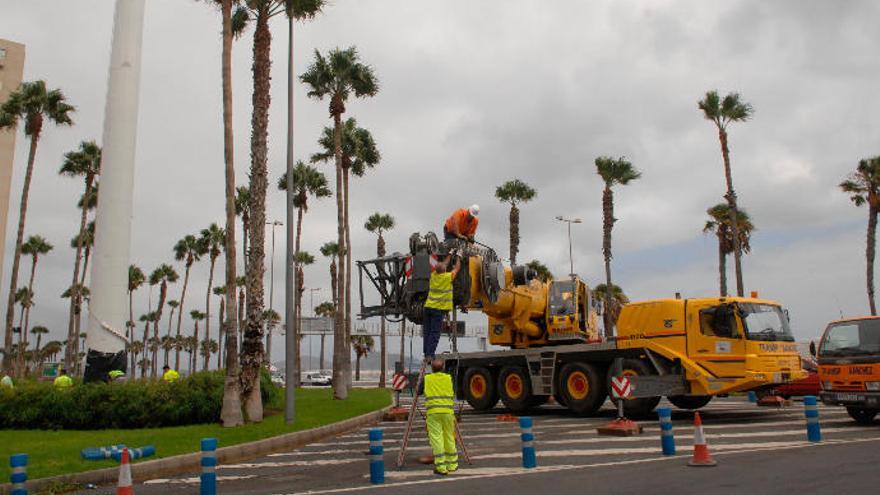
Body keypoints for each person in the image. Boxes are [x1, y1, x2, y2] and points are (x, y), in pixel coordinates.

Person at [422, 254, 461, 359]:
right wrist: (458, 257)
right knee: (435, 333)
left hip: (428, 308)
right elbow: (457, 268)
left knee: (427, 332)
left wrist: (449, 254)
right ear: (445, 270)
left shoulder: (433, 275)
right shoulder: (448, 277)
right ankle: (430, 355)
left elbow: (443, 264)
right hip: (437, 310)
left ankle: (427, 353)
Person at [424, 359, 458, 475]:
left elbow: (419, 391)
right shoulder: (448, 378)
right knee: (449, 437)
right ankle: (452, 465)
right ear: (443, 368)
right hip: (448, 412)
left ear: (432, 369)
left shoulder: (427, 379)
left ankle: (441, 467)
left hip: (433, 413)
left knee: (437, 439)